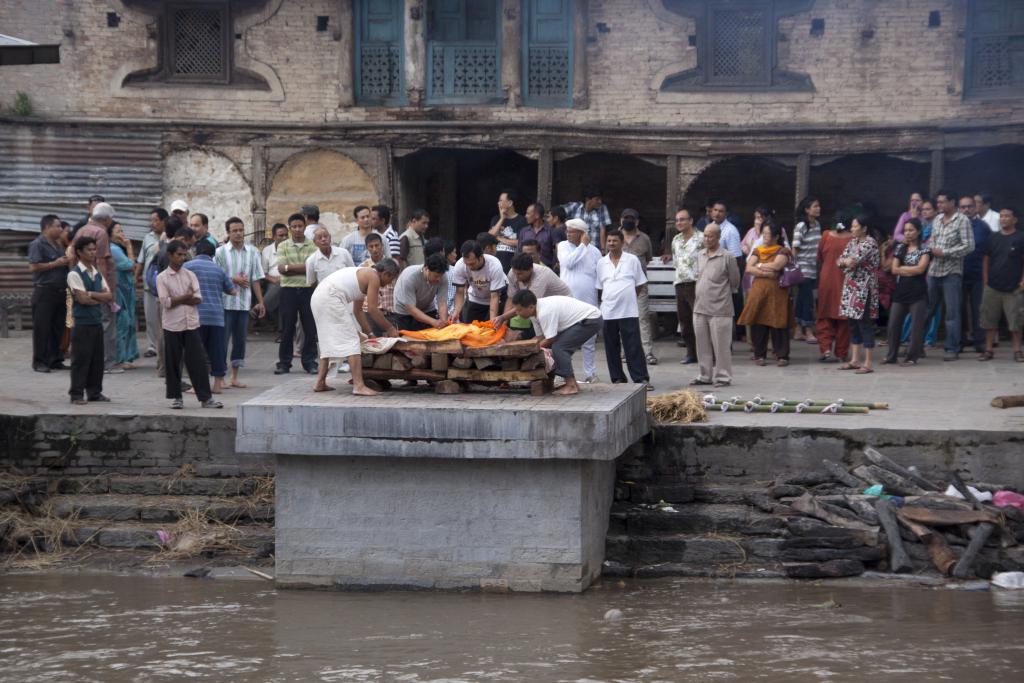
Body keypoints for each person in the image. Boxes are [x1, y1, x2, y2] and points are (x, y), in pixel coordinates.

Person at [311, 261, 401, 395]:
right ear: (386, 274)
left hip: (319, 297)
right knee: (352, 339)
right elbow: (372, 309)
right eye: (391, 279)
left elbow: (358, 310)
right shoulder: (374, 277)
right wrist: (390, 329)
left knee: (327, 340)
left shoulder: (365, 274)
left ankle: (320, 382)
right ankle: (359, 386)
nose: (389, 284)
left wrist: (370, 334)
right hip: (330, 298)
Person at [156, 240, 223, 409]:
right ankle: (176, 397)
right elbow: (166, 302)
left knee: (198, 362)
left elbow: (198, 298)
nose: (182, 258)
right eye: (179, 254)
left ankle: (206, 398)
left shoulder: (190, 275)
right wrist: (186, 298)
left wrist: (181, 299)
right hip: (172, 324)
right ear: (170, 255)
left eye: (184, 254)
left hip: (191, 323)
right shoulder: (162, 277)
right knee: (173, 362)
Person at [512, 291, 601, 396]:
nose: (517, 313)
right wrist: (524, 347)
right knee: (558, 347)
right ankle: (573, 384)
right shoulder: (534, 313)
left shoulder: (544, 312)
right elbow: (540, 337)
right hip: (582, 321)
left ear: (531, 307)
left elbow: (550, 339)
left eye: (519, 310)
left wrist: (530, 350)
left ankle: (571, 385)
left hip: (590, 319)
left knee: (559, 348)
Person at [216, 217, 266, 388]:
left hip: (244, 304)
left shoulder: (253, 252)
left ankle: (234, 377)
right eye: (234, 230)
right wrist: (233, 279)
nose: (238, 233)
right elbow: (216, 277)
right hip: (225, 304)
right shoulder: (220, 252)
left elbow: (256, 280)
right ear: (228, 233)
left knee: (240, 341)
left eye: (241, 230)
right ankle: (220, 377)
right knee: (222, 341)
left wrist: (260, 302)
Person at [71, 202, 121, 375]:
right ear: (107, 219)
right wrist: (107, 292)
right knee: (106, 323)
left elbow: (71, 255)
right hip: (97, 286)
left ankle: (91, 361)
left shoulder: (81, 230)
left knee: (86, 323)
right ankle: (107, 363)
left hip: (80, 283)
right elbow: (101, 262)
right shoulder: (101, 233)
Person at [926, 189, 975, 361]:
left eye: (942, 202)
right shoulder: (937, 219)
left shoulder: (963, 220)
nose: (939, 205)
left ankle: (952, 348)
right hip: (933, 271)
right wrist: (932, 250)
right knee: (927, 310)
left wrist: (945, 252)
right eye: (938, 202)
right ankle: (917, 345)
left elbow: (969, 246)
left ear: (952, 202)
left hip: (951, 273)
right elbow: (932, 240)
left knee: (952, 313)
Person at [597, 230, 650, 389]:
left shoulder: (632, 260)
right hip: (608, 311)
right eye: (609, 241)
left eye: (614, 241)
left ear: (621, 243)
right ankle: (617, 378)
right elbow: (600, 287)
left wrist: (629, 298)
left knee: (633, 345)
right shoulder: (601, 263)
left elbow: (640, 284)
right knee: (611, 346)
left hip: (628, 310)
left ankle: (641, 378)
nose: (611, 243)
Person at [184, 240, 238, 394]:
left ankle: (197, 386)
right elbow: (232, 291)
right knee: (217, 352)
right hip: (216, 317)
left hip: (197, 316)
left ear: (195, 251)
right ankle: (217, 386)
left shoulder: (187, 267)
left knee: (196, 352)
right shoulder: (218, 270)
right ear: (213, 254)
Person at [691, 223, 740, 387]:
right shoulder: (700, 255)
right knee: (702, 344)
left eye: (710, 236)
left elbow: (735, 281)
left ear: (718, 237)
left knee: (721, 346)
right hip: (700, 307)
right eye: (705, 235)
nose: (707, 239)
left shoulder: (728, 257)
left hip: (720, 309)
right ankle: (704, 375)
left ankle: (723, 377)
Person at [66, 237, 113, 404]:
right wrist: (95, 298)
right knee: (80, 360)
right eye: (89, 250)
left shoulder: (97, 272)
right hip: (82, 323)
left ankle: (94, 392)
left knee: (96, 360)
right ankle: (76, 394)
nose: (93, 253)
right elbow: (81, 299)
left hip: (96, 322)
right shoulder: (74, 274)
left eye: (94, 249)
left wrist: (92, 295)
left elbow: (108, 296)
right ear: (79, 252)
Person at [738, 220, 791, 366]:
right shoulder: (758, 250)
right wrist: (766, 272)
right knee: (758, 321)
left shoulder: (782, 250)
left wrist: (759, 266)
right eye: (764, 233)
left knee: (778, 321)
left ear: (776, 236)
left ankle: (782, 355)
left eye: (768, 234)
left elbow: (777, 265)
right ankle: (759, 354)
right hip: (759, 290)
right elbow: (749, 268)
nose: (765, 236)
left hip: (777, 292)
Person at [557, 218, 602, 383]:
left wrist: (585, 246)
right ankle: (563, 374)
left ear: (582, 233)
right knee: (563, 338)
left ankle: (590, 373)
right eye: (567, 230)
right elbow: (568, 263)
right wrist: (583, 246)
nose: (568, 233)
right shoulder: (562, 246)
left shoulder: (595, 251)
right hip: (568, 300)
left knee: (589, 340)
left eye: (572, 231)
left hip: (588, 299)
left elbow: (599, 275)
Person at [883, 219, 931, 366]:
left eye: (911, 230)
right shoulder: (900, 248)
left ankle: (912, 357)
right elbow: (894, 269)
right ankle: (891, 355)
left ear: (918, 231)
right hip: (901, 292)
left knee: (916, 327)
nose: (908, 233)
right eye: (906, 231)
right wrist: (911, 270)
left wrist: (904, 270)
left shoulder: (925, 249)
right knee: (893, 325)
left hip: (918, 292)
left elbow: (921, 269)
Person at [979, 207, 1024, 362]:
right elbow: (986, 259)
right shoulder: (992, 238)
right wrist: (985, 280)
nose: (1004, 218)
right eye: (1002, 216)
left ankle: (1018, 351)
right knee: (989, 320)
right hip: (992, 286)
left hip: (1014, 287)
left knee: (1016, 321)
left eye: (1007, 216)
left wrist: (1023, 281)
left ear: (1014, 220)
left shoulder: (1021, 237)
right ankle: (988, 350)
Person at [275, 213, 318, 374]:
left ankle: (310, 362)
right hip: (288, 291)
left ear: (305, 227)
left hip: (308, 290)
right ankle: (284, 363)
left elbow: (312, 268)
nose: (297, 229)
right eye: (294, 226)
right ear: (290, 228)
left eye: (300, 226)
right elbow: (281, 269)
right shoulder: (283, 246)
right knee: (287, 328)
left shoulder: (313, 246)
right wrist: (301, 268)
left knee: (309, 328)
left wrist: (289, 268)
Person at [836, 215, 880, 374]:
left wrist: (846, 262)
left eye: (855, 226)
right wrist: (845, 262)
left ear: (864, 228)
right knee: (852, 323)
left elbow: (853, 260)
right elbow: (840, 260)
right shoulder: (853, 242)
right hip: (850, 288)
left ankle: (868, 362)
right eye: (852, 226)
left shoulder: (870, 243)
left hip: (864, 288)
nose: (852, 229)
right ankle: (855, 359)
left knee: (864, 323)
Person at [662, 207, 703, 365]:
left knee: (699, 321)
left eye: (683, 219)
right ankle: (691, 353)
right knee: (685, 322)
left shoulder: (701, 239)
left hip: (697, 284)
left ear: (691, 221)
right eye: (677, 220)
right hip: (680, 284)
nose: (679, 222)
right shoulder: (676, 240)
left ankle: (705, 353)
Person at [29, 214, 70, 373]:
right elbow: (33, 267)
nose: (61, 229)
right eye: (58, 226)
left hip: (59, 292)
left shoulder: (58, 245)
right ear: (47, 227)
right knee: (42, 328)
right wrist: (55, 263)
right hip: (44, 292)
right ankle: (39, 361)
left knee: (58, 327)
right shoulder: (37, 244)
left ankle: (55, 359)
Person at [494, 253, 571, 335]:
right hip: (541, 307)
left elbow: (528, 304)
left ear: (531, 269)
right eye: (515, 272)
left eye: (520, 274)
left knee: (549, 339)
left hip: (562, 308)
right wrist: (504, 323)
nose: (516, 276)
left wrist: (503, 317)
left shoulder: (542, 275)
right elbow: (511, 298)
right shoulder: (513, 273)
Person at [619, 208, 657, 365]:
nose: (628, 220)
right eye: (625, 217)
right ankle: (624, 352)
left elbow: (647, 259)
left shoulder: (645, 239)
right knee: (622, 319)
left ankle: (647, 352)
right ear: (620, 220)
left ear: (637, 221)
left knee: (643, 318)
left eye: (631, 218)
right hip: (620, 287)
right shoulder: (615, 238)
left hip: (640, 285)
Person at [815, 219, 854, 362]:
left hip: (827, 280)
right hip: (845, 280)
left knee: (825, 315)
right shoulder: (853, 239)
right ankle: (841, 353)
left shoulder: (826, 236)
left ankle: (825, 349)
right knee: (844, 319)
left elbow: (819, 256)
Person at [958, 195, 991, 355]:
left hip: (978, 275)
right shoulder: (954, 225)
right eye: (963, 207)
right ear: (959, 208)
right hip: (957, 274)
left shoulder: (983, 227)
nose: (966, 209)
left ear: (975, 208)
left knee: (979, 310)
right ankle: (961, 341)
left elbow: (990, 251)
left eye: (970, 206)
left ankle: (980, 342)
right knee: (959, 309)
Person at [708, 199, 745, 341]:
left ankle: (732, 338)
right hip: (712, 277)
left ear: (726, 214)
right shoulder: (710, 227)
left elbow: (736, 258)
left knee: (728, 309)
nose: (717, 213)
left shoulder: (730, 231)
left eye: (721, 211)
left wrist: (732, 280)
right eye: (715, 210)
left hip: (725, 277)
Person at [450, 240, 506, 323]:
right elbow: (460, 292)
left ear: (481, 257)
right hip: (476, 297)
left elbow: (495, 296)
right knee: (469, 328)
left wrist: (492, 322)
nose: (469, 267)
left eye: (472, 264)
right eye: (466, 263)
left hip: (497, 298)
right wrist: (456, 311)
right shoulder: (460, 265)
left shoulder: (494, 265)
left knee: (492, 329)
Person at [792, 196, 823, 343]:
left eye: (818, 206)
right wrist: (793, 268)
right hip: (802, 268)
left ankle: (798, 329)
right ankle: (809, 330)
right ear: (807, 210)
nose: (818, 208)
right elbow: (795, 249)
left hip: (812, 268)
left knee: (803, 299)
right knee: (808, 300)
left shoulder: (817, 225)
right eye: (815, 206)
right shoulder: (801, 226)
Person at [136, 208, 167, 358]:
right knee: (150, 318)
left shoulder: (169, 237)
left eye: (156, 220)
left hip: (165, 286)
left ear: (164, 221)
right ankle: (151, 346)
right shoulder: (147, 238)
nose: (152, 223)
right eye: (151, 220)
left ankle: (163, 345)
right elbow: (141, 261)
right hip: (149, 285)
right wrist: (135, 279)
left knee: (164, 318)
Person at [108, 222, 139, 369]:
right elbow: (131, 265)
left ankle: (126, 357)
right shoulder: (114, 249)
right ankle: (119, 359)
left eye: (122, 230)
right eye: (118, 231)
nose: (122, 234)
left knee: (127, 323)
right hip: (119, 291)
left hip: (125, 290)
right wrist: (129, 247)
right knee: (122, 323)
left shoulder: (116, 248)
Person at [392, 254, 450, 331]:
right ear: (426, 269)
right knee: (407, 339)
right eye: (436, 276)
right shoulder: (410, 277)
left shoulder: (442, 277)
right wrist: (434, 322)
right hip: (404, 310)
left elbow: (442, 302)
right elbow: (411, 308)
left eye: (440, 276)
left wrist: (443, 321)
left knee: (433, 336)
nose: (439, 279)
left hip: (427, 307)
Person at [359, 232, 399, 335]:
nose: (375, 249)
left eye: (377, 245)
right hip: (369, 315)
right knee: (373, 346)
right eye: (371, 246)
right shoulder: (363, 267)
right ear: (367, 248)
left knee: (394, 346)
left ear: (382, 245)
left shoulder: (393, 265)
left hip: (390, 313)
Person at [489, 189, 528, 270]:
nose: (498, 203)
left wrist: (499, 238)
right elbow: (490, 237)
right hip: (497, 263)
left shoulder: (522, 220)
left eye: (501, 200)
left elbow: (520, 242)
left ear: (510, 203)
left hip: (514, 263)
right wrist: (502, 218)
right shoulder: (496, 219)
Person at [563, 188, 611, 252]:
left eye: (600, 199)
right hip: (576, 248)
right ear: (588, 199)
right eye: (597, 199)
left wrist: (603, 250)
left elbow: (602, 229)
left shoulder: (602, 208)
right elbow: (557, 213)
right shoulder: (575, 207)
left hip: (595, 249)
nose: (600, 201)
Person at [260, 222, 288, 333]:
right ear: (274, 237)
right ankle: (283, 330)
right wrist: (274, 279)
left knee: (282, 291)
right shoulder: (267, 250)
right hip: (271, 280)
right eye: (281, 235)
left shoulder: (291, 248)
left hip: (288, 279)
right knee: (279, 291)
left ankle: (260, 306)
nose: (284, 238)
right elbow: (263, 273)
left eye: (286, 235)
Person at [518, 203, 564, 269]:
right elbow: (519, 251)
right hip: (526, 269)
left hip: (546, 270)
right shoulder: (524, 231)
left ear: (537, 215)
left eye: (528, 213)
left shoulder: (551, 231)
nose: (525, 216)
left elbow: (557, 251)